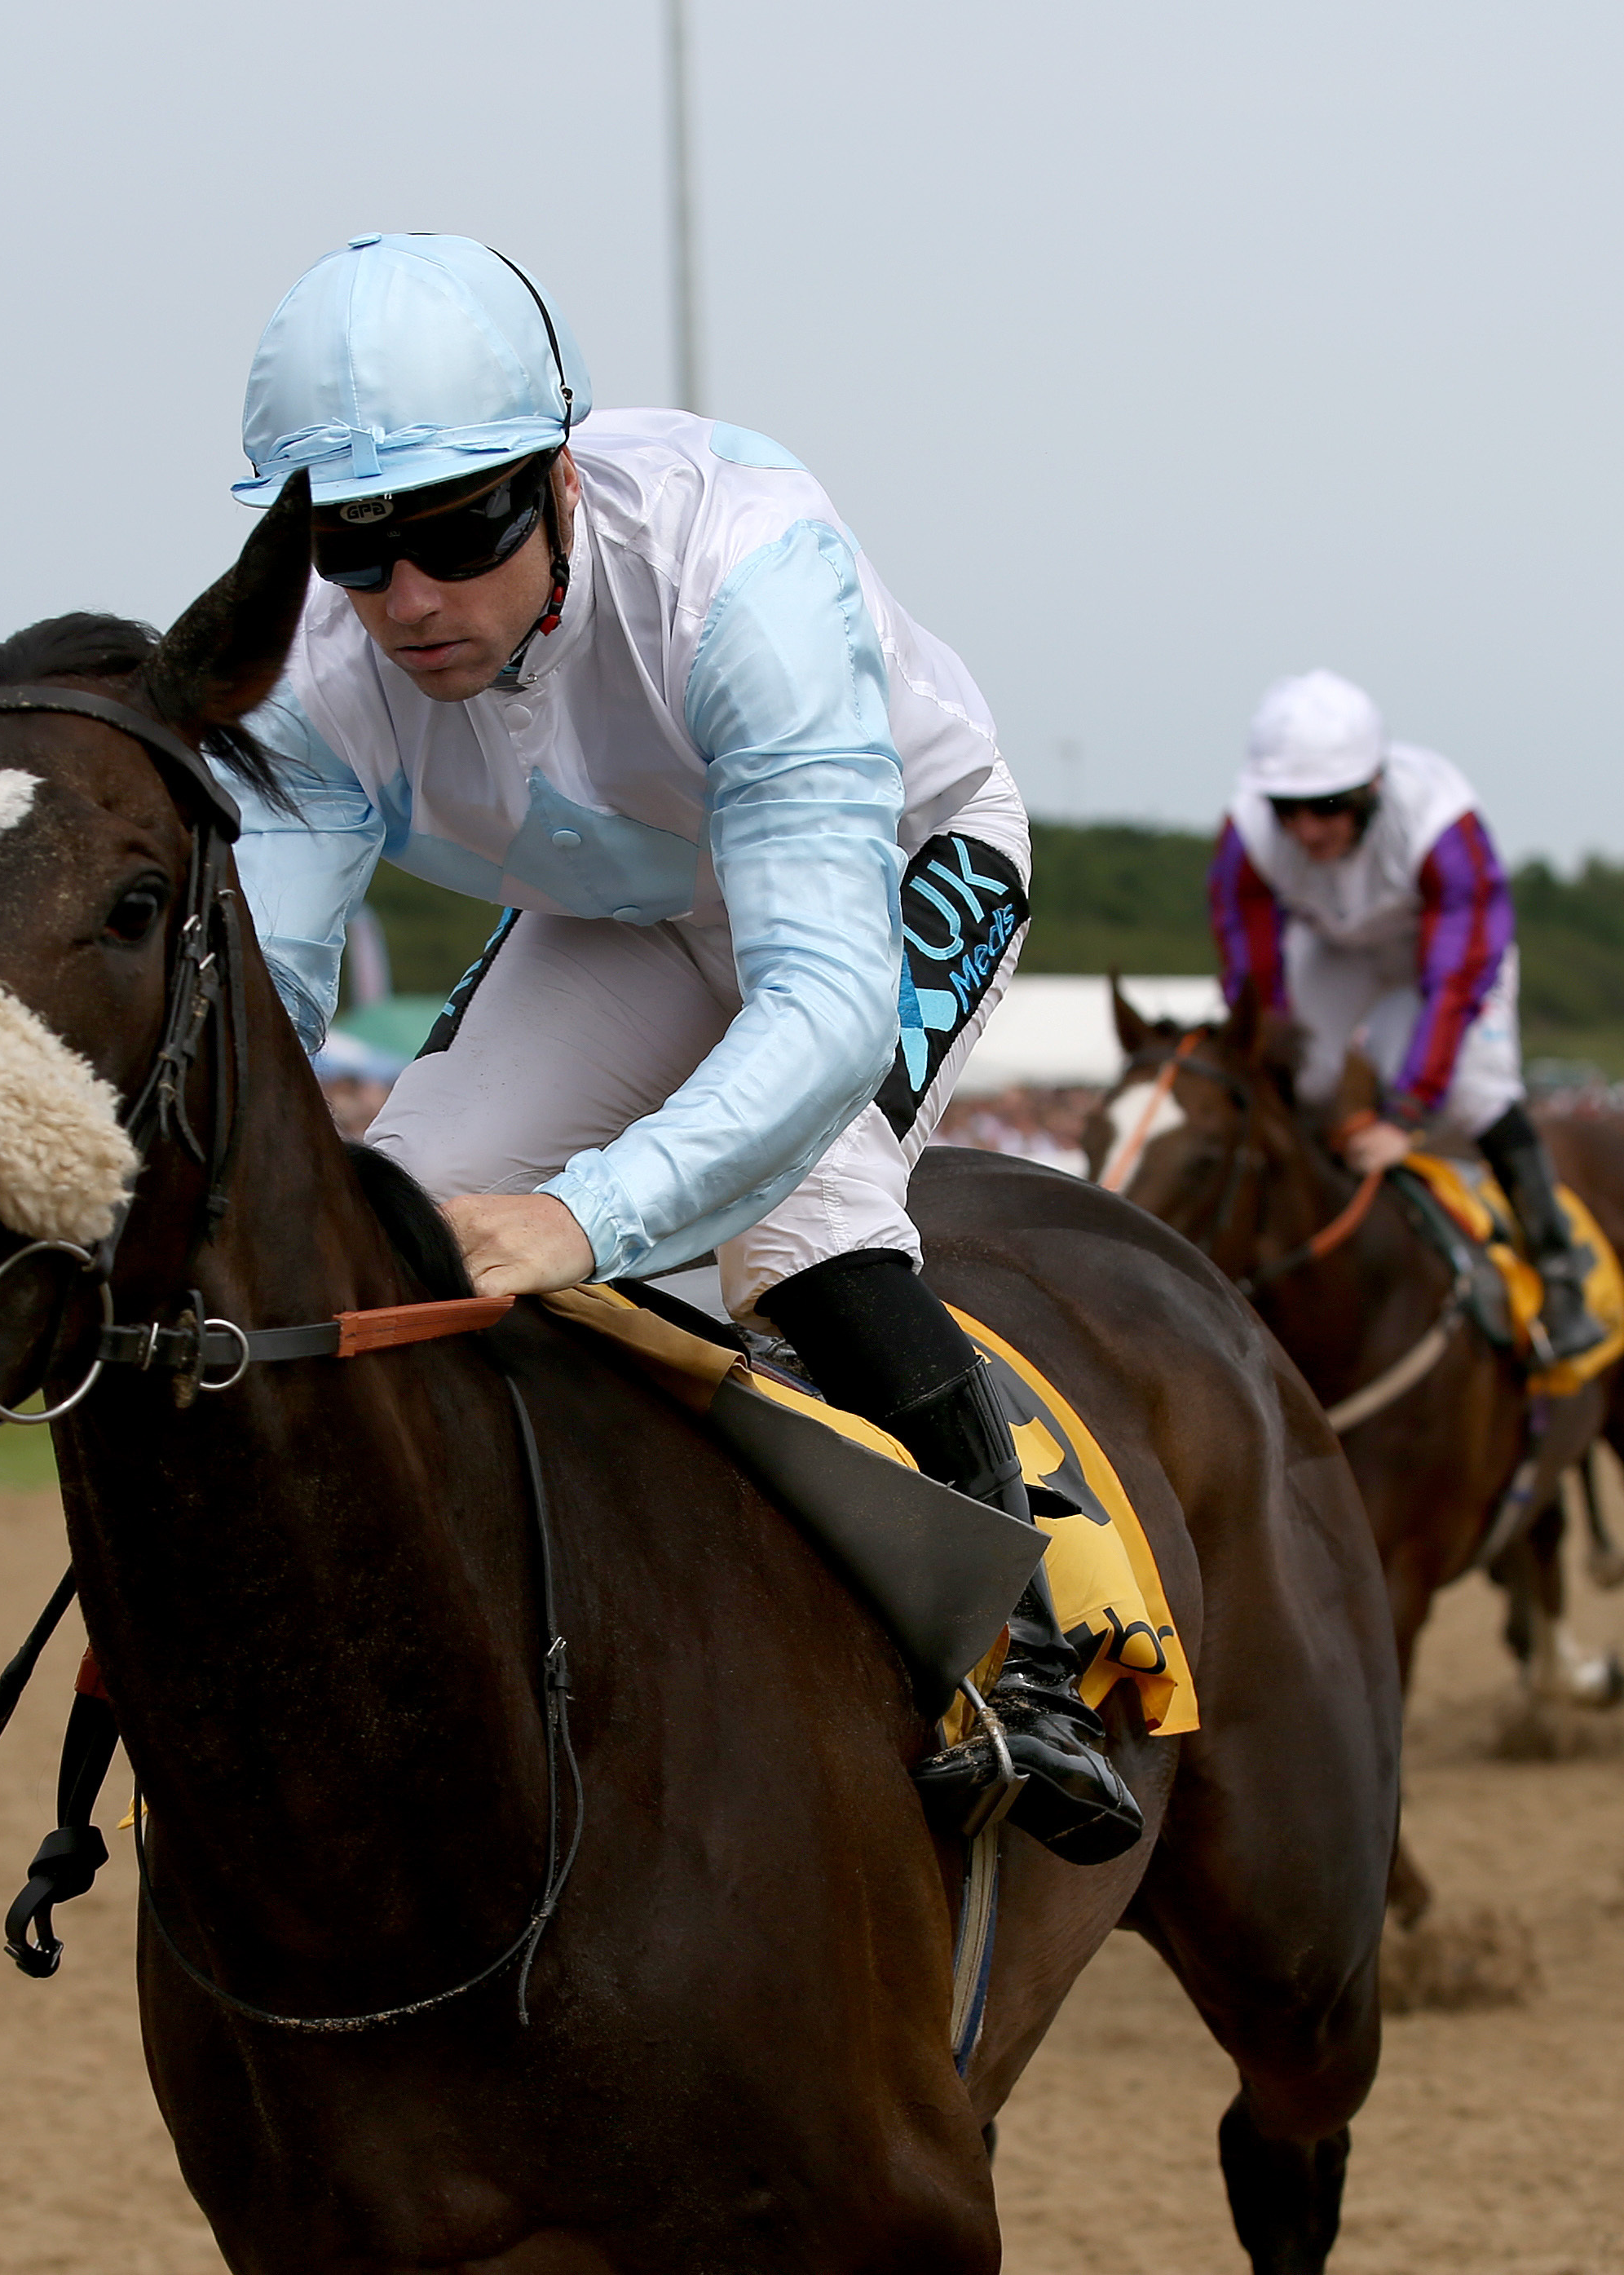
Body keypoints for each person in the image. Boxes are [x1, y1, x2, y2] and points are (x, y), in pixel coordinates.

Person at [219, 233, 1133, 1864]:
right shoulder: (315, 666)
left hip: (895, 862)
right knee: (394, 1219)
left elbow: (823, 1008)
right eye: (357, 549)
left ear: (555, 477)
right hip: (619, 907)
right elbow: (267, 1024)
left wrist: (581, 1222)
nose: (410, 598)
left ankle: (1024, 1642)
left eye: (457, 528)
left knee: (797, 1212)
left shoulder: (742, 572)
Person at [1204, 669, 1606, 1362]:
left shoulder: (1441, 826)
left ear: (1370, 789)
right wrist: (1273, 1053)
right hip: (1338, 950)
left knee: (1477, 1092)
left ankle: (1560, 1269)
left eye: (1326, 806)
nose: (1305, 828)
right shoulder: (1247, 837)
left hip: (1447, 959)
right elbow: (1254, 979)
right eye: (1287, 808)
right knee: (1306, 1077)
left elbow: (1452, 985)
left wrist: (1407, 1116)